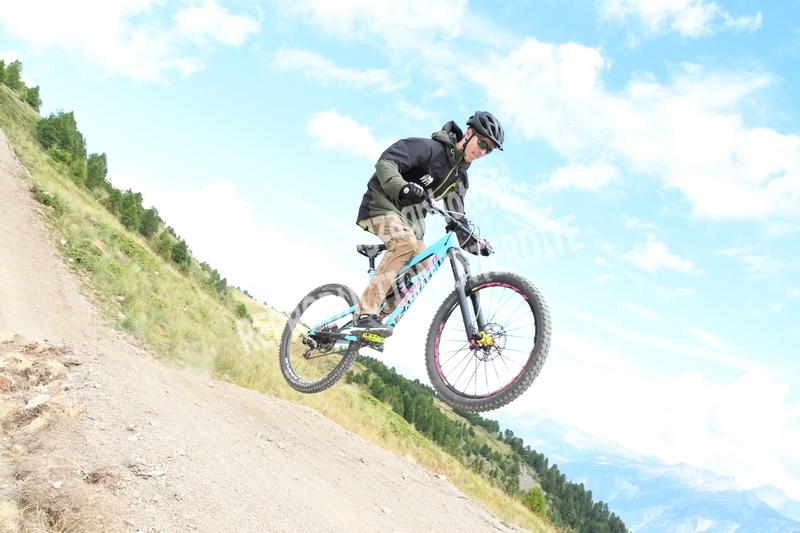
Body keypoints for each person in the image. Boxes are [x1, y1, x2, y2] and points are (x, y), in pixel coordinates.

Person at [352, 111, 504, 338]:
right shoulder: (430, 149)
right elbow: (386, 162)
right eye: (482, 143)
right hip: (380, 204)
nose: (482, 152)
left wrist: (474, 243)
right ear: (469, 133)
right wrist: (403, 186)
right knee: (404, 243)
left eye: (488, 150)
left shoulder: (459, 178)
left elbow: (456, 216)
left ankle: (377, 319)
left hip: (410, 223)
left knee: (424, 263)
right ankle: (366, 313)